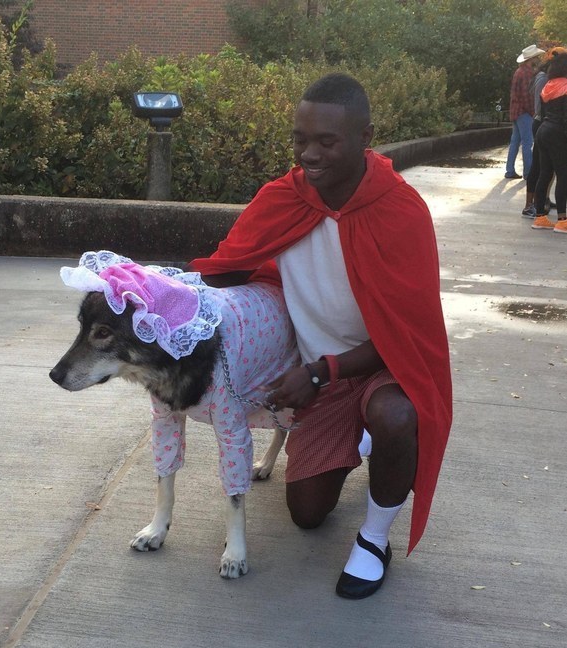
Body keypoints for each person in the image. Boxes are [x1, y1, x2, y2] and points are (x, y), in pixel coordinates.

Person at [187, 73, 452, 598]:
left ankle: (375, 539)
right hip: (322, 375)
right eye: (300, 139)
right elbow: (230, 267)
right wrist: (152, 291)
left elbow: (409, 339)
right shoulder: (283, 199)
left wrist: (319, 371)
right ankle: (369, 437)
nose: (309, 154)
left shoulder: (401, 212)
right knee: (307, 514)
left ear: (365, 137)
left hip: (381, 369)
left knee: (396, 414)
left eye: (327, 141)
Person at [531, 47, 567, 233]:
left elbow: (542, 112)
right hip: (558, 132)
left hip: (543, 130)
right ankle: (562, 220)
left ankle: (540, 217)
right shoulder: (566, 87)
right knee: (563, 174)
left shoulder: (548, 86)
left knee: (544, 173)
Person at [505, 44, 545, 180]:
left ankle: (510, 170)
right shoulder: (527, 73)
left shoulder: (519, 71)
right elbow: (527, 97)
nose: (538, 59)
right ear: (531, 59)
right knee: (528, 143)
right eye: (536, 57)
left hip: (515, 112)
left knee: (515, 142)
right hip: (524, 113)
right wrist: (534, 112)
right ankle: (528, 173)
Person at [522, 58, 553, 218]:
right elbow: (540, 104)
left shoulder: (544, 77)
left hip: (543, 122)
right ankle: (529, 205)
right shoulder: (542, 78)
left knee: (545, 165)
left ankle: (540, 200)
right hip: (541, 122)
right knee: (537, 165)